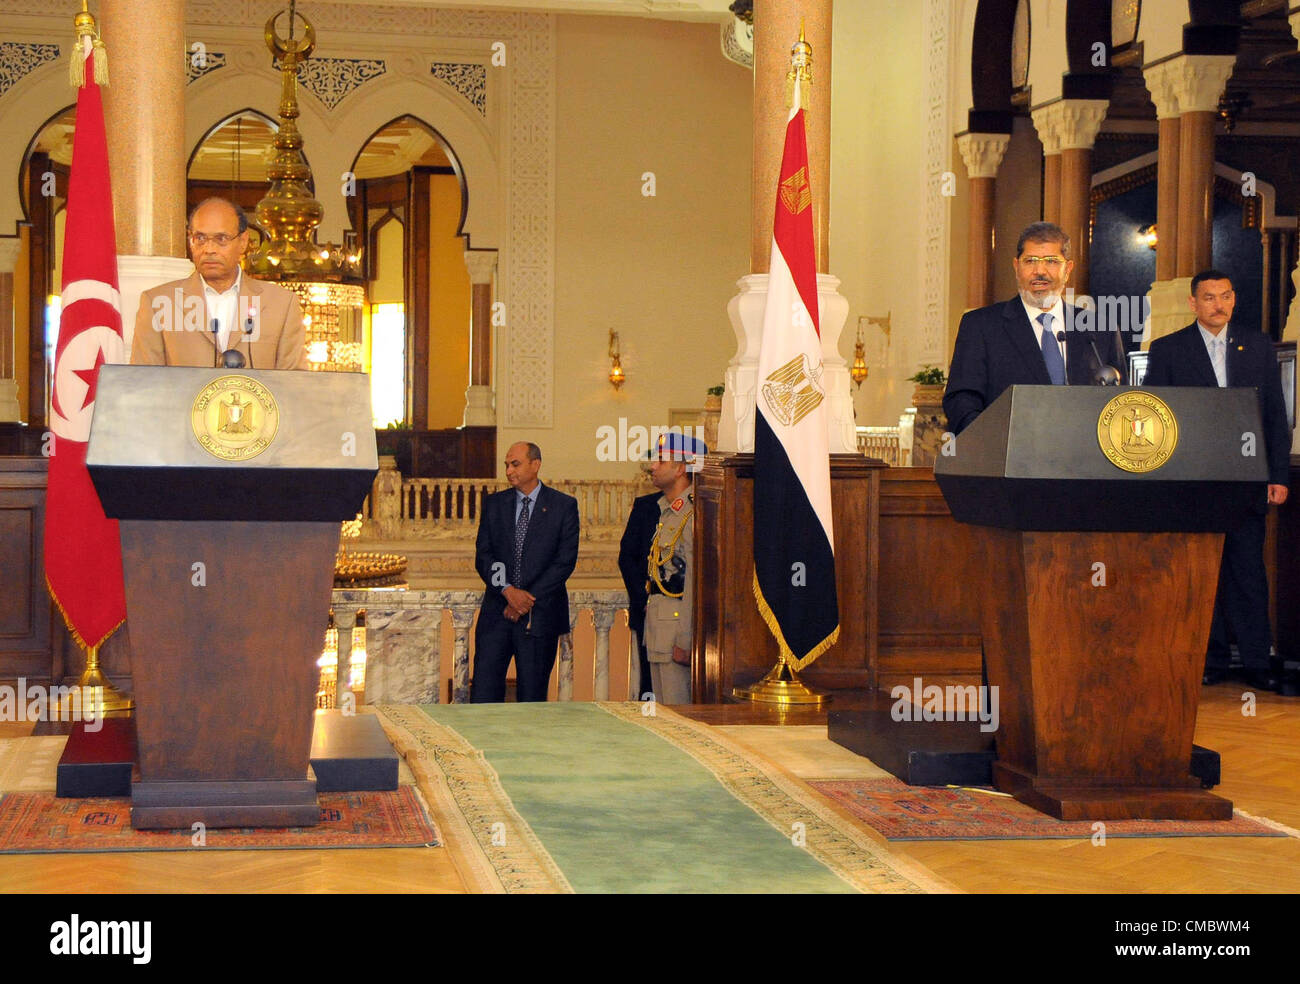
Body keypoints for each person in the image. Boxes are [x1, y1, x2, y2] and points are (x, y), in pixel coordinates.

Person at [1143, 270, 1292, 693]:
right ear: (1193, 304)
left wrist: (1277, 475)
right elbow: (1157, 417)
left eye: (1225, 296)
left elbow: (1273, 415)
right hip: (1194, 480)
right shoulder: (1169, 349)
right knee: (1199, 572)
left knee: (1248, 571)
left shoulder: (1257, 345)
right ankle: (1208, 659)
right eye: (1209, 298)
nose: (1218, 305)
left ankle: (1258, 662)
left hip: (1247, 477)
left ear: (1234, 298)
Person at [943, 221, 1127, 435]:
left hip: (1084, 461)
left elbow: (1121, 400)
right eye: (1030, 261)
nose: (1039, 271)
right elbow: (961, 401)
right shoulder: (981, 326)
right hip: (1009, 460)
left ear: (1068, 269)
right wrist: (991, 443)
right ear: (1016, 267)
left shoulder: (1100, 329)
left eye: (1051, 261)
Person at [130, 198, 308, 370]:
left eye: (221, 238)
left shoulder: (281, 303)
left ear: (243, 242)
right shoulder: (157, 302)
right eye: (199, 238)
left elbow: (294, 383)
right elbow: (143, 382)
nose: (209, 249)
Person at [471, 442, 580, 702]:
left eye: (515, 464)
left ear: (536, 465)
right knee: (483, 696)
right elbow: (484, 556)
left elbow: (564, 562)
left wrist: (524, 600)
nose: (509, 471)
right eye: (506, 465)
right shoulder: (495, 504)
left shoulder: (563, 506)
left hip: (539, 618)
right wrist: (508, 591)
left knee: (532, 698)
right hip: (497, 614)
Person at [641, 432, 707, 705]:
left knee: (679, 718)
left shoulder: (693, 514)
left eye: (660, 460)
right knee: (664, 718)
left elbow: (694, 580)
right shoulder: (667, 510)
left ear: (681, 468)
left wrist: (686, 638)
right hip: (659, 628)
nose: (652, 466)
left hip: (675, 634)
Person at [618, 459, 661, 701]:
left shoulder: (702, 505)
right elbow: (627, 558)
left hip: (689, 620)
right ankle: (650, 729)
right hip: (648, 614)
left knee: (680, 698)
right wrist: (644, 600)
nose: (652, 467)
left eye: (662, 460)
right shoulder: (646, 506)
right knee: (649, 691)